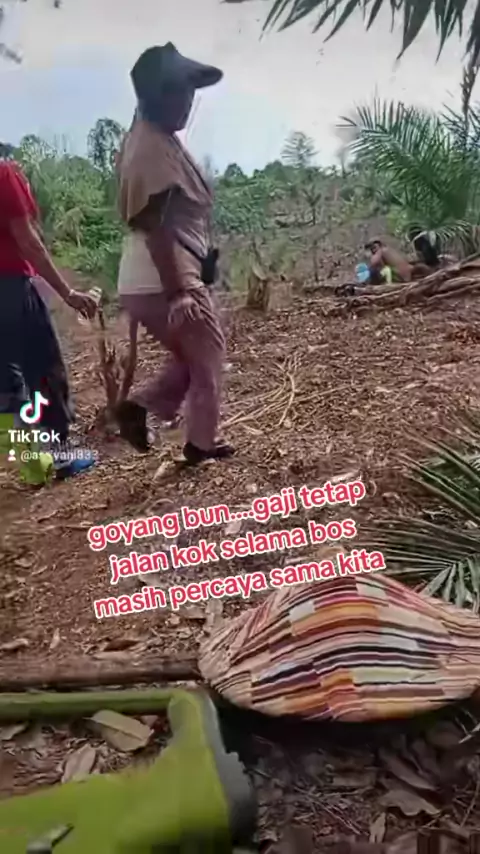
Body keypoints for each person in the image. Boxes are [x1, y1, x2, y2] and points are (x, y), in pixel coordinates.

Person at [115, 43, 234, 465]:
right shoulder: (151, 148)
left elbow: (175, 221)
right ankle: (200, 445)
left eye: (189, 92)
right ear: (156, 96)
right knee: (208, 358)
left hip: (148, 276)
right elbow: (156, 226)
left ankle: (140, 407)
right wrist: (179, 291)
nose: (187, 101)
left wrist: (201, 267)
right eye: (179, 92)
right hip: (163, 274)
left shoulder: (151, 140)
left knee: (193, 356)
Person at [0, 159, 98, 481]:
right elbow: (27, 240)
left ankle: (32, 466)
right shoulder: (3, 174)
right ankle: (61, 456)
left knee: (6, 381)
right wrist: (67, 293)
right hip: (9, 288)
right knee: (44, 369)